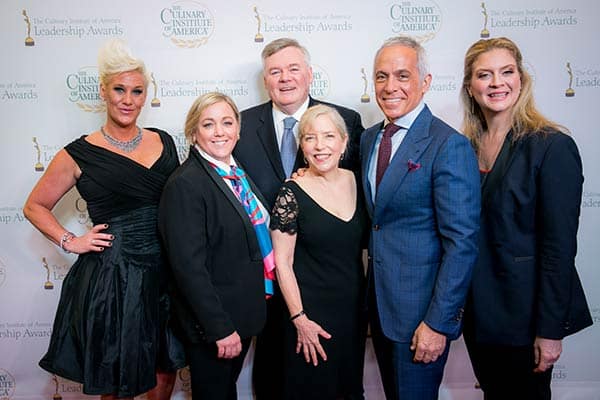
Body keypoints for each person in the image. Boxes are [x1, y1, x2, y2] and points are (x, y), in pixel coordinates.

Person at [23, 39, 182, 399]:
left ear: (146, 95)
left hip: (166, 273)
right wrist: (71, 240)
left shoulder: (166, 142)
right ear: (104, 92)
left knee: (165, 366)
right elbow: (34, 205)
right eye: (119, 89)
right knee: (117, 375)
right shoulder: (76, 153)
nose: (128, 99)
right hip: (115, 277)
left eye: (137, 91)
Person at [460, 36, 593, 400]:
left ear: (521, 80)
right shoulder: (464, 148)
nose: (496, 83)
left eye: (506, 72)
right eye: (484, 75)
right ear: (470, 88)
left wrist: (550, 330)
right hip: (479, 315)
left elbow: (559, 249)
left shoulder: (551, 145)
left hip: (526, 319)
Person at [232, 37, 365, 400]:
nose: (285, 78)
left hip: (337, 289)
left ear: (309, 74)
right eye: (275, 71)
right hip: (268, 287)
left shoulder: (347, 121)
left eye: (293, 69)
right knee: (280, 384)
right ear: (265, 80)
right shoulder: (240, 127)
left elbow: (352, 205)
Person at [360, 35, 480, 400]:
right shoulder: (369, 139)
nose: (389, 86)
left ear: (425, 82)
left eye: (402, 75)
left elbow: (462, 243)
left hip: (420, 318)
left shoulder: (448, 145)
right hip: (380, 311)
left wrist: (437, 324)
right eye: (381, 77)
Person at [158, 92, 270, 400]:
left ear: (238, 129)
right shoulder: (186, 183)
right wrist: (219, 328)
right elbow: (188, 268)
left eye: (227, 122)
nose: (219, 131)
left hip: (243, 315)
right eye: (208, 124)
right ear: (194, 133)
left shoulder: (236, 173)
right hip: (215, 325)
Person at [270, 104, 368, 400]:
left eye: (328, 136)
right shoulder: (291, 192)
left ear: (344, 142)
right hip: (309, 315)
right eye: (310, 137)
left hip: (352, 314)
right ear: (301, 145)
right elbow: (282, 263)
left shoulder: (359, 182)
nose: (320, 145)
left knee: (348, 390)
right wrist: (299, 318)